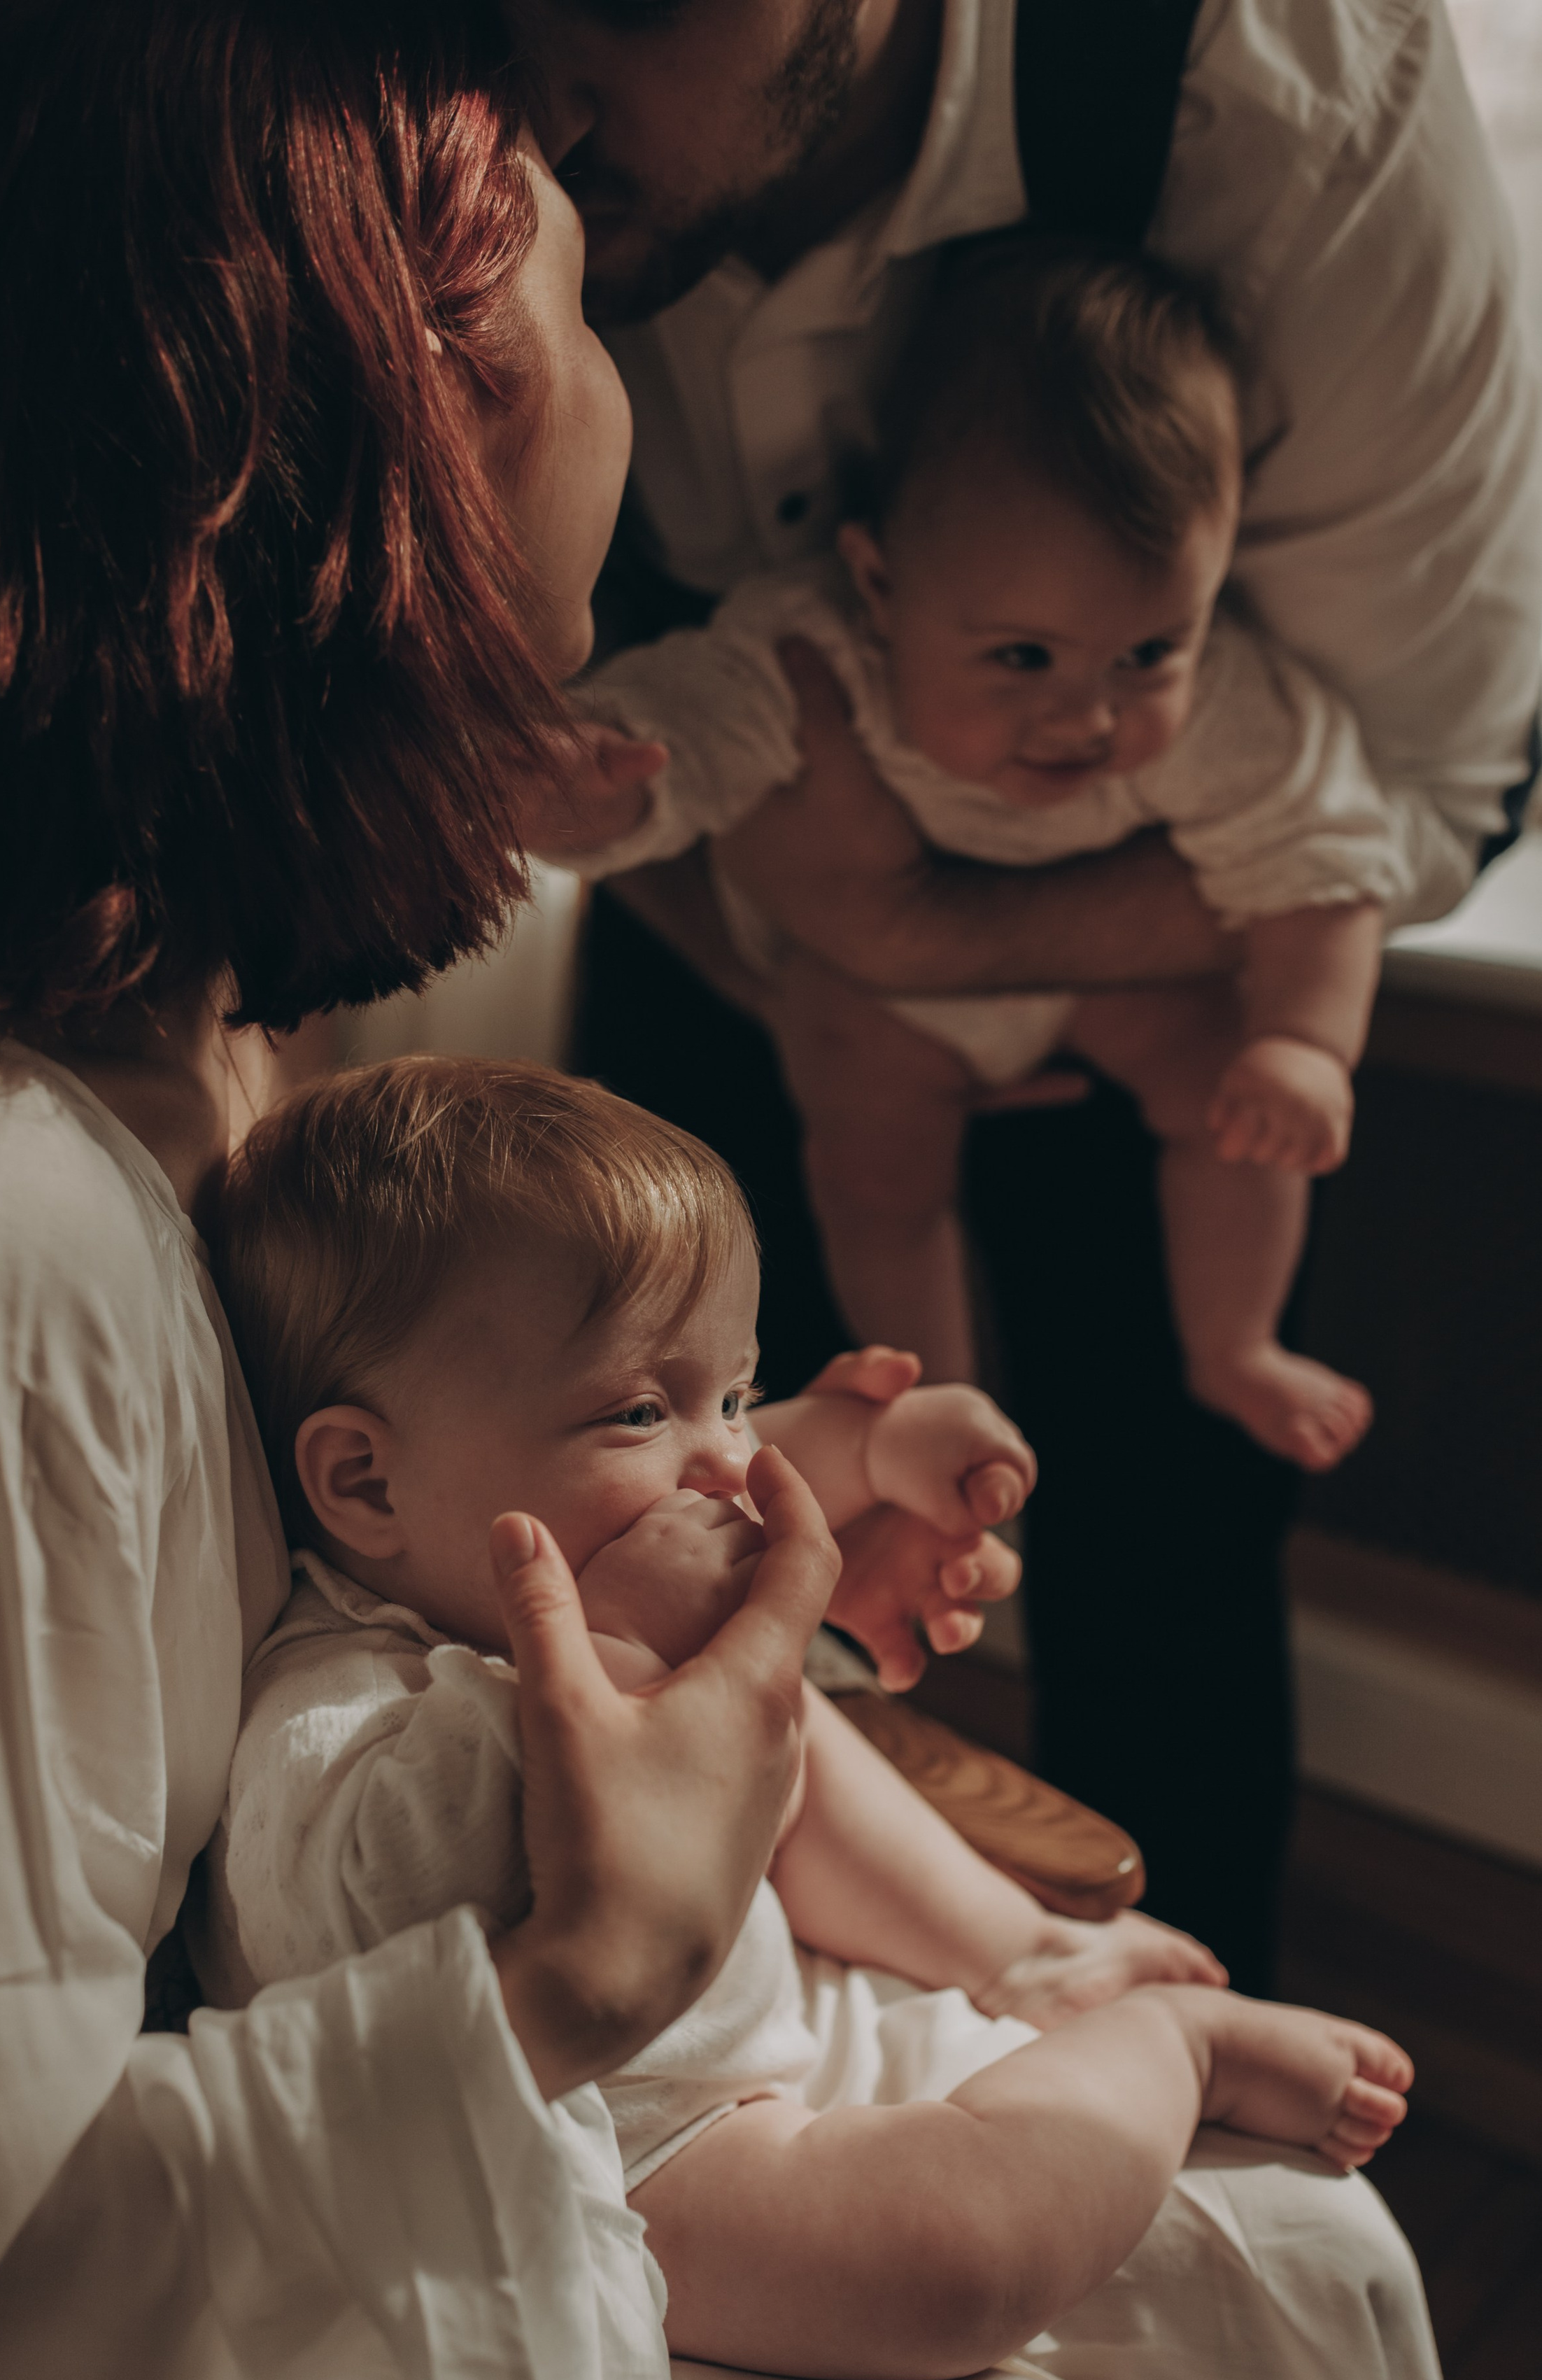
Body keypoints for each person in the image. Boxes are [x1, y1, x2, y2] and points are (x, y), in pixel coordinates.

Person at [0, 1, 1501, 2380]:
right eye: (576, 299)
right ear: (407, 422)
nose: (637, 397)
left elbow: (362, 1603)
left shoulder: (230, 1082)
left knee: (1294, 2264)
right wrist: (571, 1983)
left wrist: (723, 1482)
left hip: (433, 2123)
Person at [520, 0, 1542, 1988]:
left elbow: (1415, 797)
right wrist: (759, 926)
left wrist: (910, 938)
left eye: (622, 7)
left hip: (1148, 1003)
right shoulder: (475, 132)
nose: (528, 92)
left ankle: (1186, 2099)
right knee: (671, 1552)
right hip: (729, 986)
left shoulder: (1294, 115)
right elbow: (641, 738)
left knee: (1164, 1590)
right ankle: (733, 2063)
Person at [211, 1051, 1431, 2380]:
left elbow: (704, 1463)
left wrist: (874, 1444)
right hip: (641, 2143)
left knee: (773, 1700)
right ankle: (1175, 2050)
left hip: (739, 2026)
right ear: (363, 1481)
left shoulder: (503, 1521)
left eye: (730, 1392)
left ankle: (1018, 1947)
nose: (732, 1461)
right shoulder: (337, 1718)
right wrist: (640, 1646)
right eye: (641, 1409)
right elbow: (375, 1897)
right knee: (951, 2264)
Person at [537, 242, 1399, 1468]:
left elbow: (1327, 857)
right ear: (879, 585)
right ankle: (924, 1409)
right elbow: (689, 740)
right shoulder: (813, 650)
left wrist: (1308, 1044)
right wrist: (589, 783)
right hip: (878, 1003)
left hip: (1101, 983)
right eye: (1023, 659)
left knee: (1228, 1088)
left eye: (1150, 652)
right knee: (875, 1177)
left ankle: (1236, 1343)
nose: (1089, 718)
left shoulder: (1227, 710)